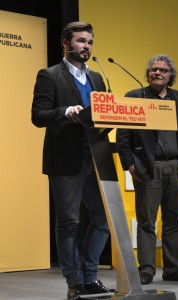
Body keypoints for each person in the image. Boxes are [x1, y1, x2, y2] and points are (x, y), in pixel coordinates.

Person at [31, 21, 111, 299]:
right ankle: (74, 281)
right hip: (66, 159)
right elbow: (38, 115)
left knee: (103, 219)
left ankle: (90, 275)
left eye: (89, 41)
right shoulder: (50, 75)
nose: (86, 46)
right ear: (65, 43)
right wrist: (65, 111)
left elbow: (104, 115)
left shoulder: (98, 78)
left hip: (97, 157)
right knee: (69, 222)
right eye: (80, 41)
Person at [116, 54, 178, 285]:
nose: (157, 73)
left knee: (174, 220)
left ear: (170, 75)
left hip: (176, 167)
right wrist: (130, 164)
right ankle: (147, 270)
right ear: (148, 73)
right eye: (153, 69)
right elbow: (123, 135)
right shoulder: (135, 97)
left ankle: (173, 269)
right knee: (146, 222)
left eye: (162, 70)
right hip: (147, 167)